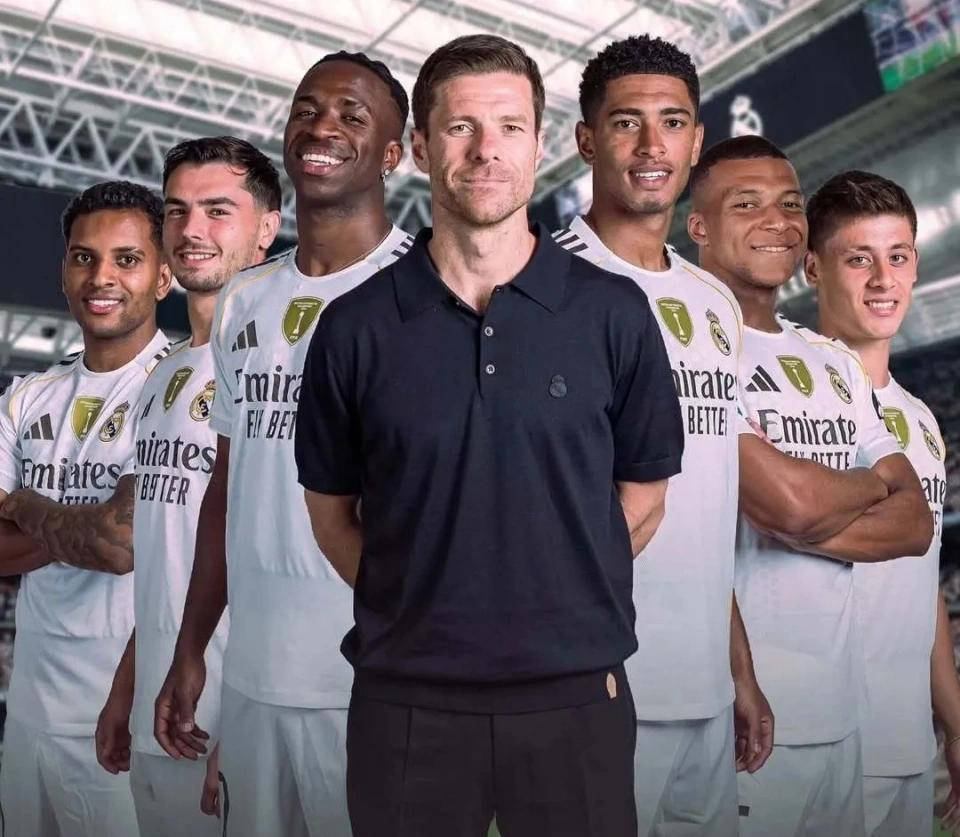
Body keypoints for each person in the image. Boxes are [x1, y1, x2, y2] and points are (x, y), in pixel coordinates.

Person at [296, 34, 684, 837]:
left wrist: (559, 581)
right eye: (461, 127)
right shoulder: (354, 327)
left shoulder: (613, 313)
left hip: (577, 699)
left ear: (541, 146)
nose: (486, 151)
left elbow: (644, 495)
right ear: (421, 148)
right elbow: (331, 513)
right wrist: (423, 597)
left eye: (510, 127)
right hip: (406, 705)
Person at [155, 53, 411, 837]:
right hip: (254, 681)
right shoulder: (245, 299)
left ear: (394, 154)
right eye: (307, 108)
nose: (322, 125)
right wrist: (192, 647)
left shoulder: (426, 290)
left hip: (374, 685)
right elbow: (228, 487)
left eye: (351, 114)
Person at [553, 35, 771, 835]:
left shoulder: (713, 302)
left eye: (672, 123)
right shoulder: (541, 284)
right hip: (592, 684)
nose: (652, 146)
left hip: (705, 690)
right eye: (626, 123)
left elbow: (707, 501)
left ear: (697, 140)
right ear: (586, 140)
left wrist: (738, 668)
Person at [687, 135, 932, 836]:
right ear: (698, 225)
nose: (777, 221)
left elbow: (915, 524)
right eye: (747, 204)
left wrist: (802, 511)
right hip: (746, 720)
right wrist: (864, 485)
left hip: (846, 720)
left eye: (790, 204)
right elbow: (789, 506)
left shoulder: (834, 363)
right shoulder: (689, 348)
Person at [94, 137, 281, 836]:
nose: (192, 229)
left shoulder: (280, 368)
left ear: (266, 228)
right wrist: (124, 686)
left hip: (232, 718)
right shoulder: (165, 375)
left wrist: (247, 722)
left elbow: (289, 557)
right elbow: (166, 559)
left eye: (217, 210)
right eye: (177, 211)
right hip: (157, 712)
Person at [0, 181, 171, 836]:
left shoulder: (179, 388)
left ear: (163, 276)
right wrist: (89, 521)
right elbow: (101, 537)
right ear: (64, 272)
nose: (102, 277)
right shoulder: (26, 395)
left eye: (127, 259)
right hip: (30, 713)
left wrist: (22, 504)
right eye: (84, 257)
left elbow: (119, 545)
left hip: (126, 720)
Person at [805, 170, 960, 837]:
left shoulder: (921, 420)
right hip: (808, 745)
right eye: (858, 259)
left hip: (906, 747)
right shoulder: (779, 390)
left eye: (896, 257)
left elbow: (922, 581)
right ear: (813, 268)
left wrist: (954, 724)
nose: (882, 280)